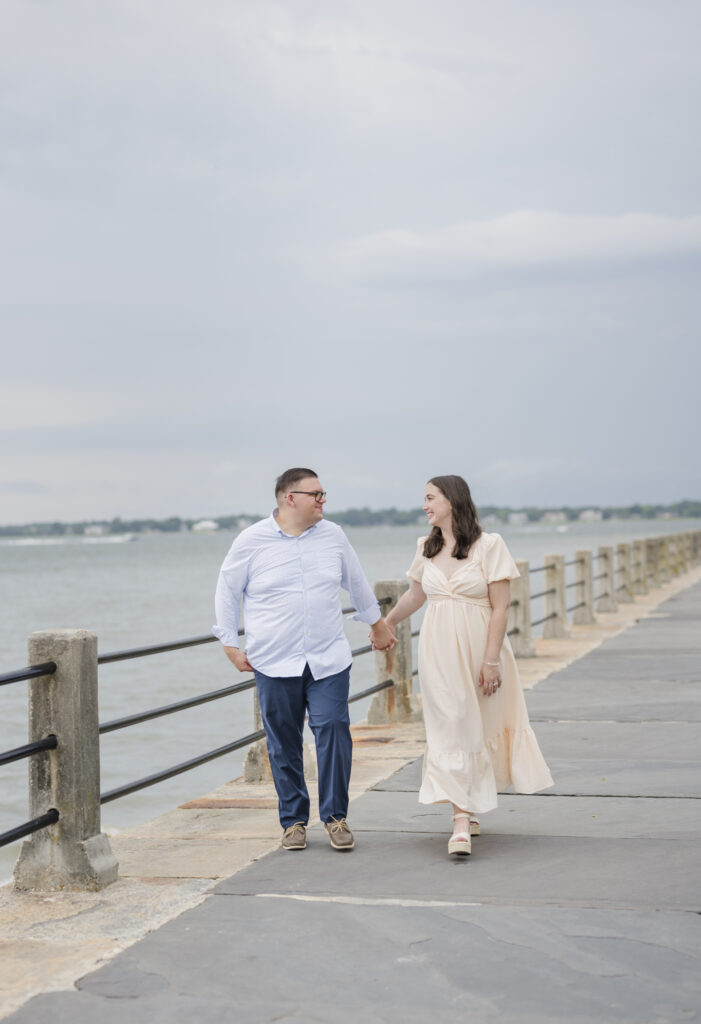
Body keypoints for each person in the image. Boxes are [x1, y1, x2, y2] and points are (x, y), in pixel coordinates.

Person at [213, 467, 396, 853]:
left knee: (333, 729)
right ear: (289, 498)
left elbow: (357, 583)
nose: (323, 500)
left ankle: (335, 817)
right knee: (283, 743)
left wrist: (377, 624)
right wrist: (230, 644)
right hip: (274, 661)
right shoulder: (251, 541)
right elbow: (227, 592)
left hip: (328, 658)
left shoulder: (334, 536)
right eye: (316, 494)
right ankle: (294, 821)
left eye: (323, 493)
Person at [381, 475, 553, 856]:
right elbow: (415, 594)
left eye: (430, 498)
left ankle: (469, 805)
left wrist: (490, 660)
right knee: (453, 725)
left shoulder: (489, 546)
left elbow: (501, 606)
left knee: (480, 725)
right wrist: (388, 623)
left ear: (452, 500)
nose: (424, 506)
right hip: (438, 651)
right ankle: (460, 820)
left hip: (482, 649)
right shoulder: (426, 546)